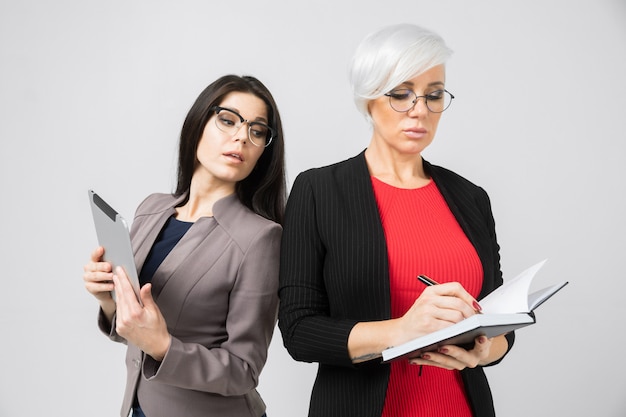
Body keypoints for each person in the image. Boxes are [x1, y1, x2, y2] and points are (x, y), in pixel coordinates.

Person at [278, 24, 514, 417]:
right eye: (401, 94)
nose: (419, 109)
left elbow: (501, 323)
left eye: (433, 95)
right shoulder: (319, 190)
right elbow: (299, 331)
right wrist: (403, 331)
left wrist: (483, 349)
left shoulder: (471, 198)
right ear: (369, 99)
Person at [83, 74, 286, 417]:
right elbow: (136, 331)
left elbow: (244, 370)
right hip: (137, 407)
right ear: (198, 123)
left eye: (257, 131)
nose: (241, 137)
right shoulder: (152, 208)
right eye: (227, 120)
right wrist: (109, 302)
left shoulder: (260, 238)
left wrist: (164, 347)